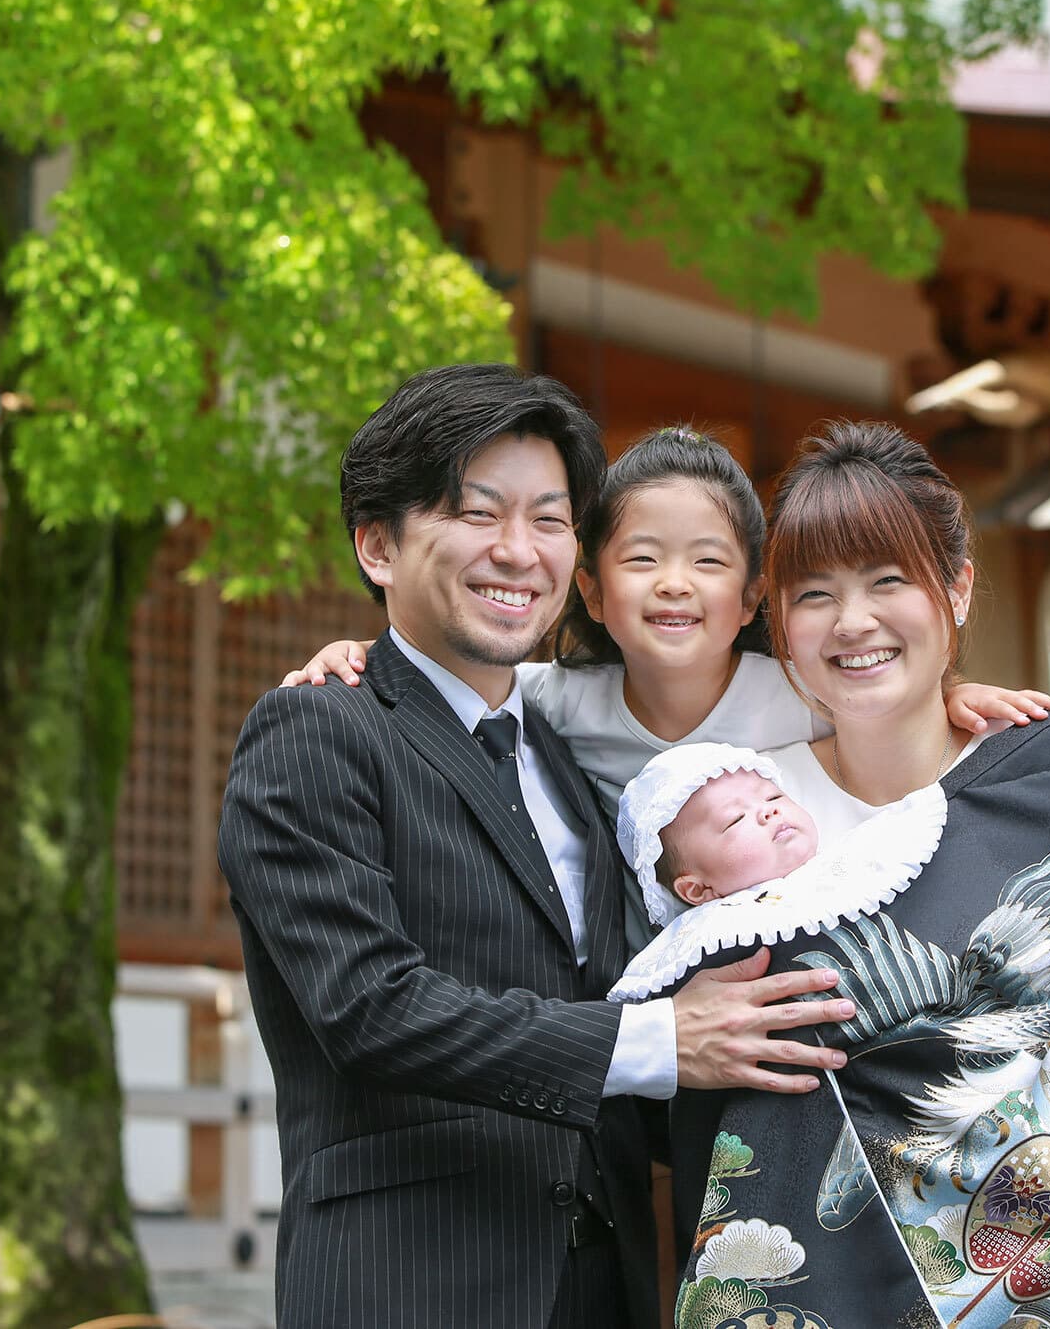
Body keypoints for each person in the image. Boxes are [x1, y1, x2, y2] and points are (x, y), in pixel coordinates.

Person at [216, 365, 860, 1329]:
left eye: (550, 519)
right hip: (410, 1283)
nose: (518, 551)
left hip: (603, 1282)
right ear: (378, 544)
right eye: (478, 513)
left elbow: (624, 1024)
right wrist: (660, 1039)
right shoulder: (318, 728)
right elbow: (367, 1008)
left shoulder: (569, 755)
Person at [666, 421, 1050, 1328]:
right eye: (815, 594)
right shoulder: (727, 819)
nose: (854, 621)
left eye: (888, 580)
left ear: (956, 589)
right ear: (780, 627)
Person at [283, 424, 1050, 951]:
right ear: (590, 590)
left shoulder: (796, 691)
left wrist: (956, 694)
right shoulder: (558, 699)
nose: (675, 585)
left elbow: (883, 690)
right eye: (643, 559)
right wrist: (360, 651)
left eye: (709, 562)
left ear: (755, 597)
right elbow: (452, 674)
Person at [605, 741, 947, 1005]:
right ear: (698, 890)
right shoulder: (705, 934)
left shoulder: (850, 856)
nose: (768, 812)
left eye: (773, 796)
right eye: (734, 819)